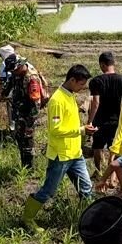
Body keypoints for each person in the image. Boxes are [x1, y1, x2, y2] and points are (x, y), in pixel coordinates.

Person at [21, 65, 97, 233]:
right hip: (60, 155)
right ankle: (27, 218)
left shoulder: (71, 96)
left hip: (75, 154)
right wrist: (81, 130)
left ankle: (89, 221)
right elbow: (55, 130)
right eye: (81, 84)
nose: (82, 88)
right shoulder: (57, 100)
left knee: (86, 189)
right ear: (72, 80)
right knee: (48, 190)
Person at [0, 55, 43, 169]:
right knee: (19, 138)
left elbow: (35, 103)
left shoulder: (32, 78)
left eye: (14, 69)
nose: (13, 72)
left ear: (20, 66)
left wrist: (28, 122)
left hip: (28, 115)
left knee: (27, 140)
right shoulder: (16, 75)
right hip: (18, 113)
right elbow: (7, 89)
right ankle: (24, 165)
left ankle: (29, 168)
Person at [87, 52, 122, 179]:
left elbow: (96, 103)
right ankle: (113, 176)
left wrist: (90, 121)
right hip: (117, 120)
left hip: (100, 120)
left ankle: (98, 171)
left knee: (97, 147)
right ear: (113, 63)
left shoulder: (96, 81)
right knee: (114, 148)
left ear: (102, 64)